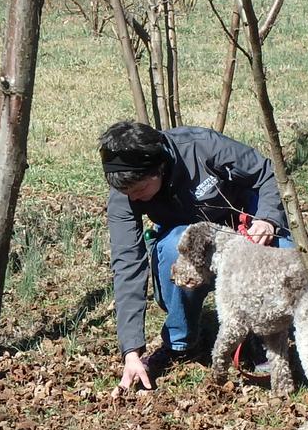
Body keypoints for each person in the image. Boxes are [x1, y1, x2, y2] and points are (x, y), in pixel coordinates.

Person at [99, 121, 293, 397]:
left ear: (160, 168)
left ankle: (265, 334)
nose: (133, 198)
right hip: (186, 239)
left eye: (140, 189)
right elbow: (127, 264)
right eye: (127, 193)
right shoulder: (124, 193)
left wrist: (268, 220)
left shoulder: (202, 146)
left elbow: (266, 173)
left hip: (244, 222)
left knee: (284, 252)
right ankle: (181, 342)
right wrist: (131, 350)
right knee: (172, 250)